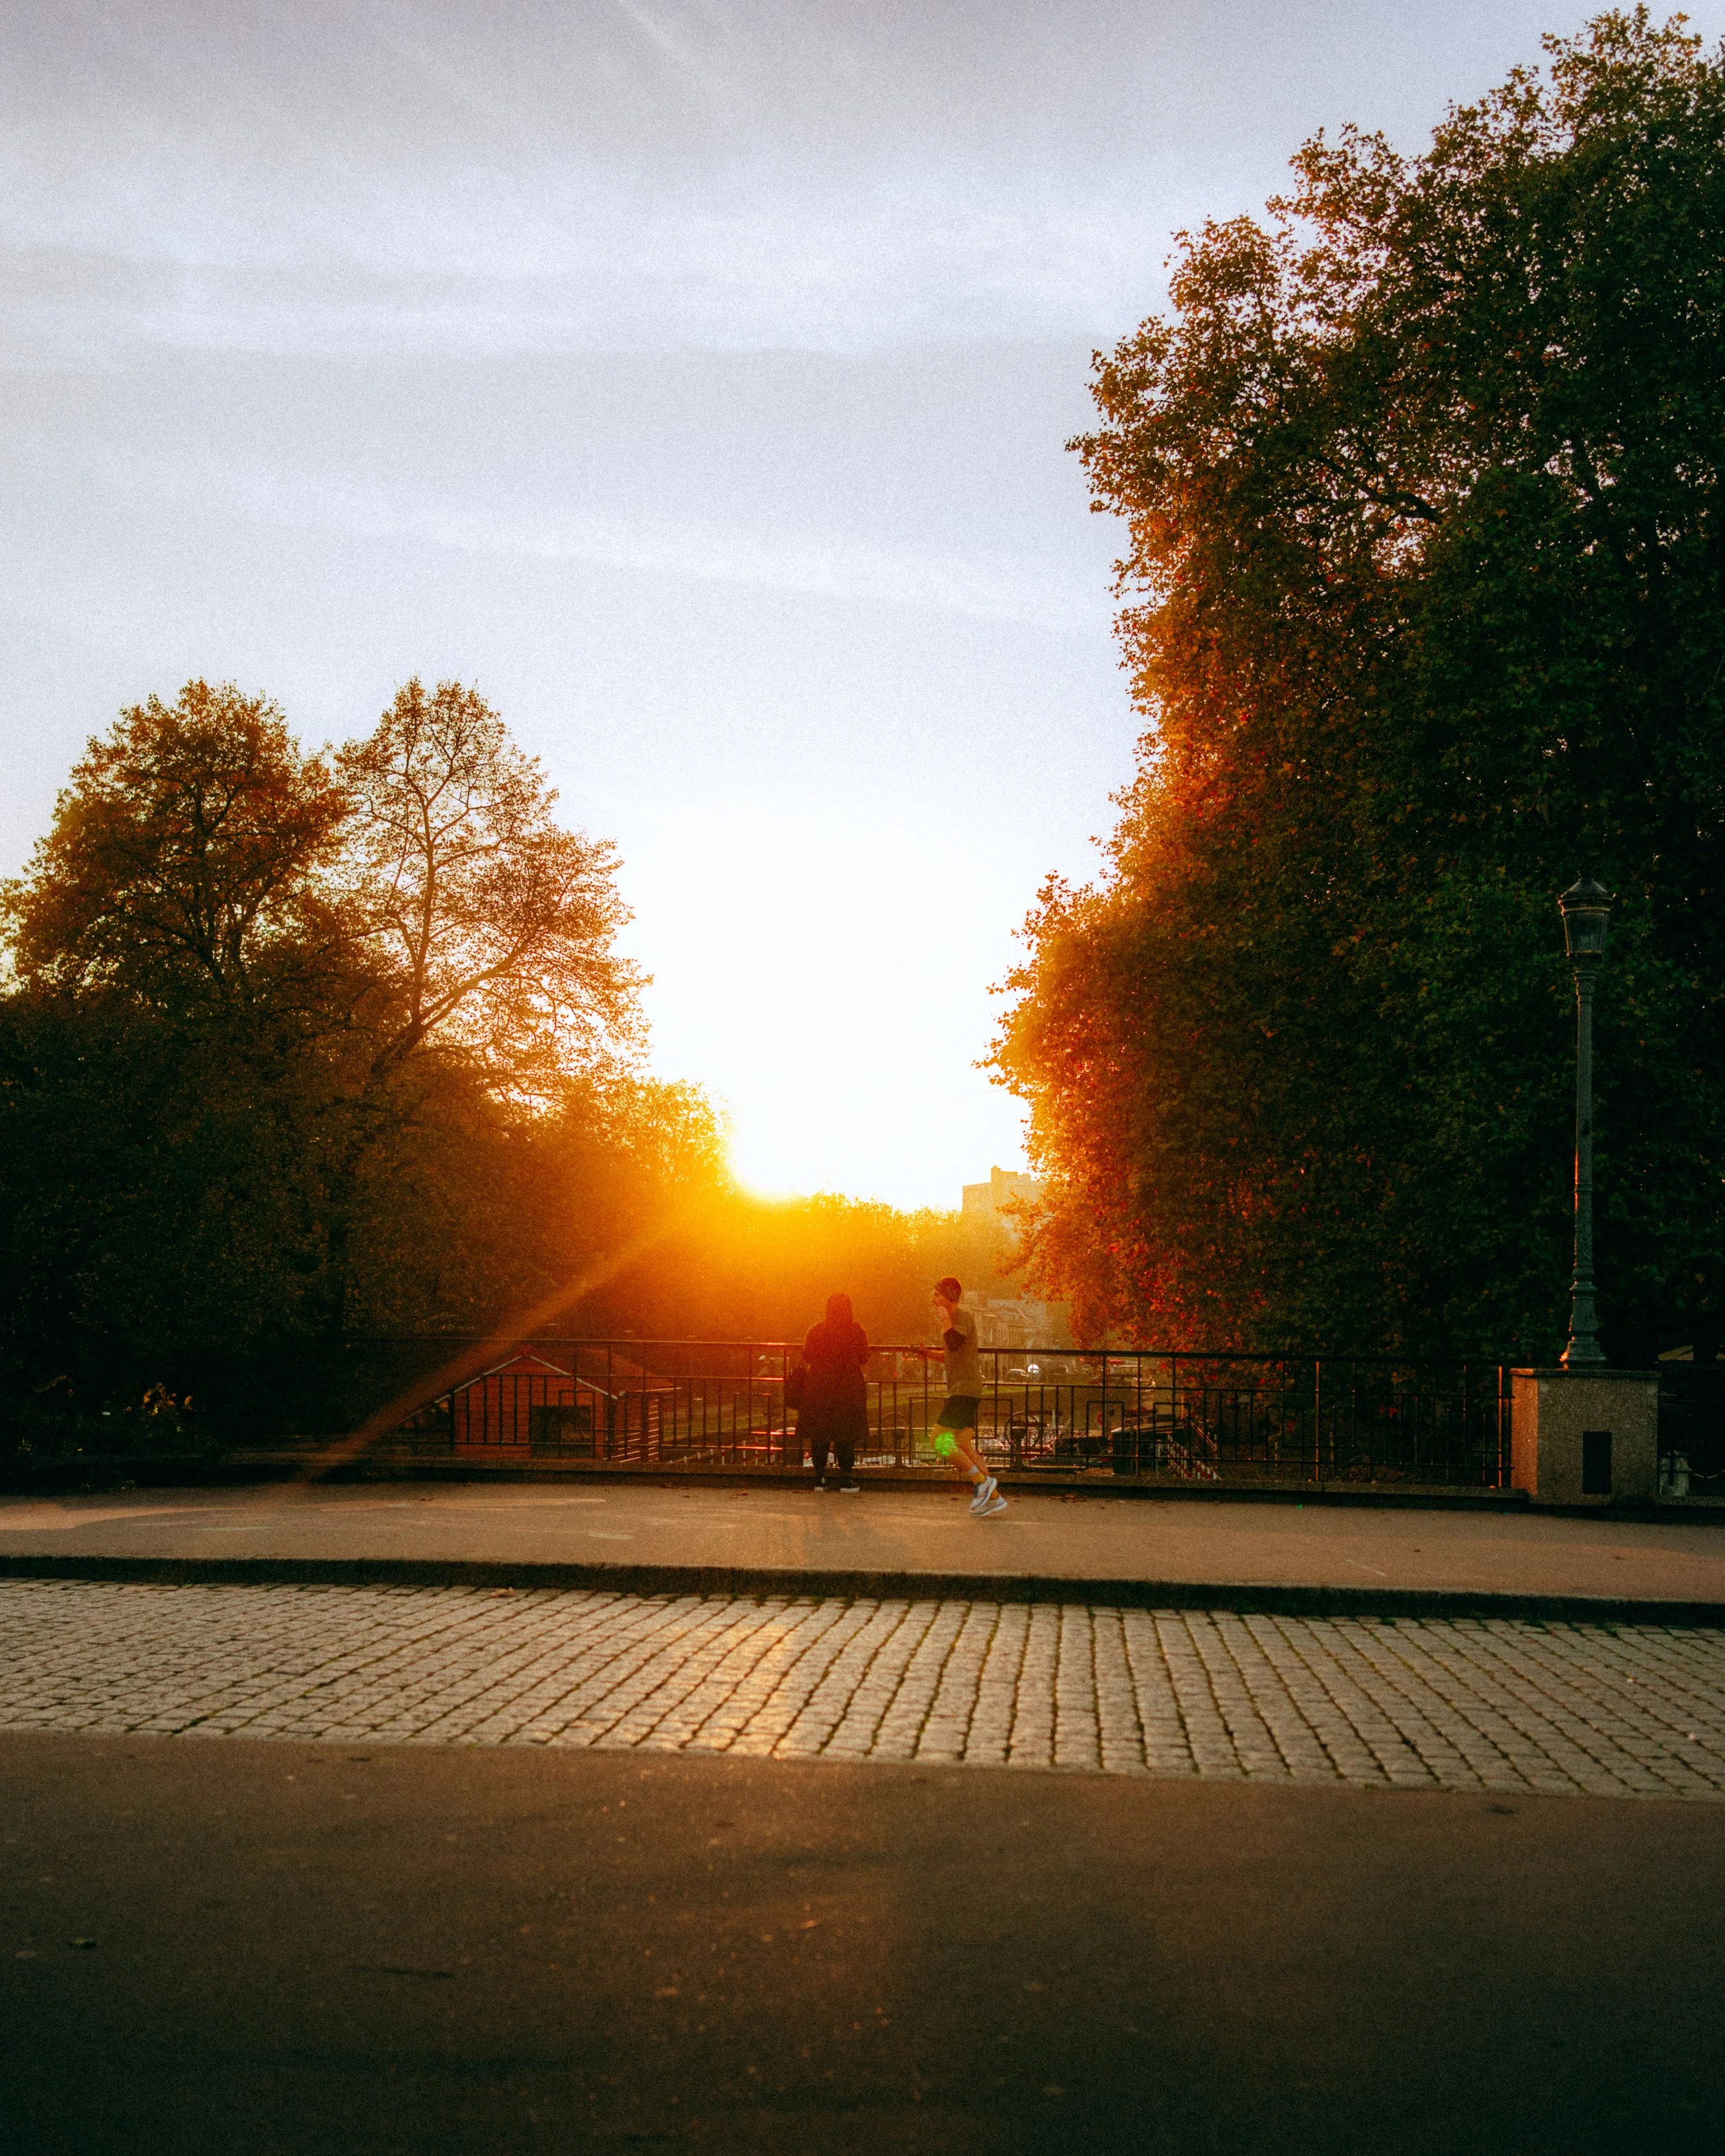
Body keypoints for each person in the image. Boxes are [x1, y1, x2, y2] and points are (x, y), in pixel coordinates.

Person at [929, 1277, 1006, 1518]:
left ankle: (980, 1482)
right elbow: (952, 1355)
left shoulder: (961, 1318)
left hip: (964, 1390)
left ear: (950, 1297)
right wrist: (926, 1354)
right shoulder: (956, 1322)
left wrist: (944, 1319)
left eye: (938, 1296)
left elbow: (953, 1343)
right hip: (966, 1388)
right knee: (963, 1443)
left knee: (938, 1440)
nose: (934, 1300)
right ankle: (993, 1498)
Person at [797, 1292, 869, 1492]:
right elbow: (864, 1357)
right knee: (846, 1432)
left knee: (820, 1432)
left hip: (819, 1385)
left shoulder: (816, 1330)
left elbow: (808, 1356)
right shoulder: (856, 1330)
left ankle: (820, 1478)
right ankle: (846, 1477)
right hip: (847, 1386)